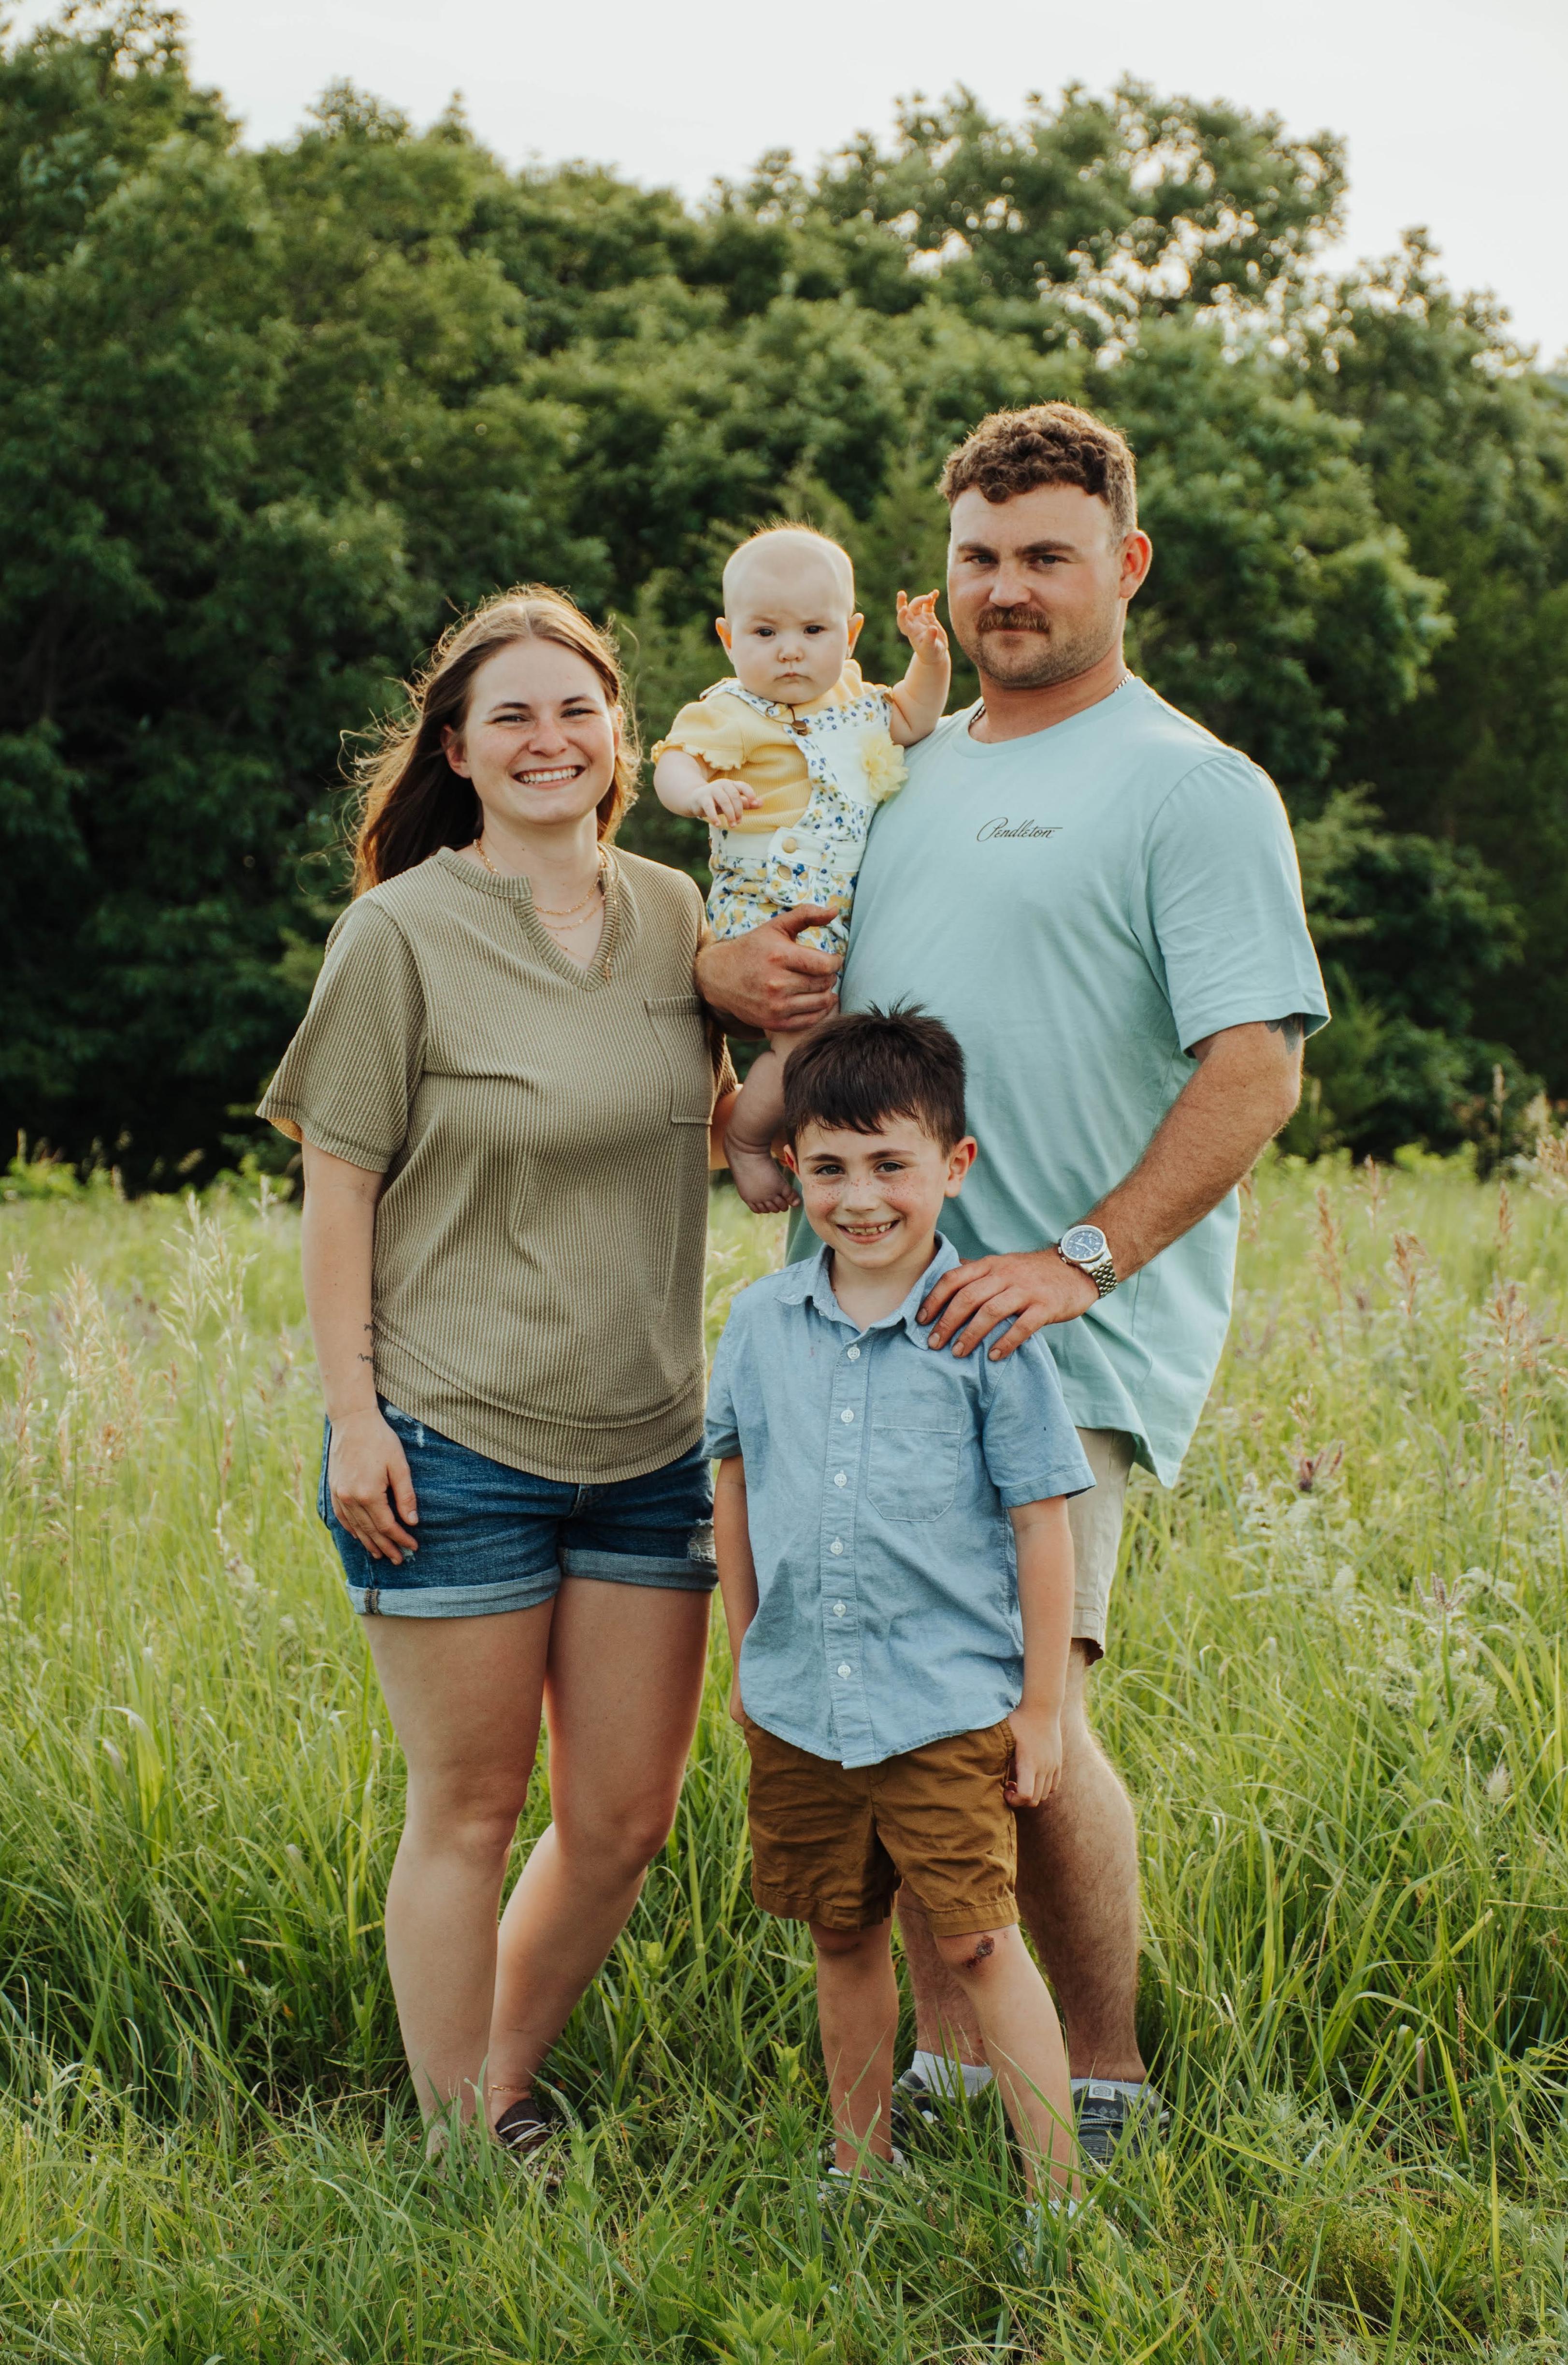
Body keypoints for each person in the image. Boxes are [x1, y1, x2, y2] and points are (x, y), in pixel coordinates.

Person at [697, 403, 1330, 2167]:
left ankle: (1102, 2081)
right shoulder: (898, 770)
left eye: (1045, 555)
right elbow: (809, 1009)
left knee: (1012, 1709)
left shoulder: (1185, 783)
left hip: (1052, 1325)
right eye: (977, 558)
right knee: (894, 1700)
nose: (1007, 588)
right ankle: (979, 2060)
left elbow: (1253, 1066)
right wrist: (734, 989)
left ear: (1121, 565)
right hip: (860, 1319)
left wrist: (1077, 1258)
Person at [259, 586, 737, 2158]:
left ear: (620, 737)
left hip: (655, 1435)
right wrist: (352, 1418)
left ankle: (494, 2082)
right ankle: (469, 2143)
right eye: (509, 715)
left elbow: (735, 1142)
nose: (548, 738)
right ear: (457, 751)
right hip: (451, 1438)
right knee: (468, 1810)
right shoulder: (397, 933)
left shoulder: (679, 917)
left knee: (618, 1822)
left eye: (575, 708)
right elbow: (338, 1185)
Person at [706, 1008, 1092, 2227]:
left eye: (891, 1164)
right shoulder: (762, 1324)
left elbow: (1041, 1523)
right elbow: (734, 1485)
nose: (859, 1196)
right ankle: (859, 2167)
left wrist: (1040, 1706)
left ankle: (1058, 2198)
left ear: (952, 1167)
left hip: (942, 1701)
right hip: (802, 1701)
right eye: (828, 1166)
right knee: (839, 1935)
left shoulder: (983, 1329)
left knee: (980, 1942)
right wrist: (744, 1662)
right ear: (793, 1172)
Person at [652, 525, 949, 1213]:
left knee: (836, 1040)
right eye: (764, 633)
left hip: (836, 914)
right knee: (803, 1047)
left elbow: (914, 714)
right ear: (729, 639)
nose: (789, 649)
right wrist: (699, 792)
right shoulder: (728, 710)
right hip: (768, 910)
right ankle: (750, 1144)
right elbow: (674, 761)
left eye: (812, 630)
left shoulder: (854, 701)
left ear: (849, 635)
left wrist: (929, 655)